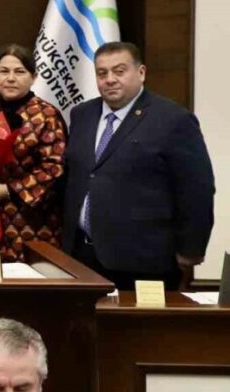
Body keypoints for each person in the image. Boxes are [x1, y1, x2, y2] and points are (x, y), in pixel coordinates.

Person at [62, 41, 214, 290]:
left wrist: (191, 249)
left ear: (141, 72)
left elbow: (197, 189)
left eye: (119, 71)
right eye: (102, 73)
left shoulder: (173, 119)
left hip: (143, 259)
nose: (110, 79)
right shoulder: (82, 114)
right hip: (81, 256)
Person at [0, 45, 67, 263]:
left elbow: (54, 168)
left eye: (19, 72)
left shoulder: (47, 115)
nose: (11, 78)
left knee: (28, 279)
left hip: (32, 221)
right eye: (4, 71)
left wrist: (7, 191)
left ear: (34, 77)